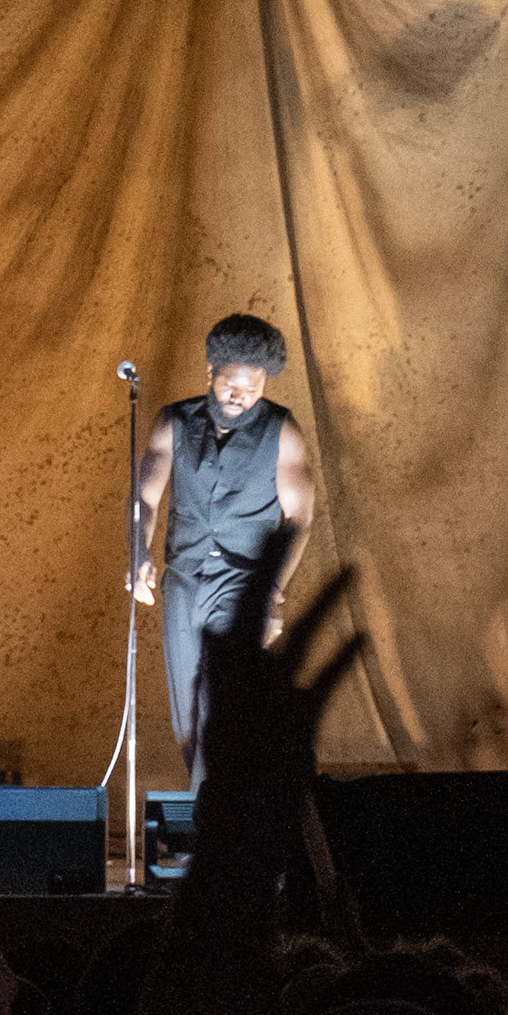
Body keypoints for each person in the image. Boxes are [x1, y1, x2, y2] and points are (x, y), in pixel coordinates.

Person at [128, 313, 319, 782]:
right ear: (210, 369)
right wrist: (139, 553)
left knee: (221, 704)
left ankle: (214, 818)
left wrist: (272, 592)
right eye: (231, 384)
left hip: (243, 582)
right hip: (183, 580)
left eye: (252, 388)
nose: (240, 396)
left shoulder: (282, 432)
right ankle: (209, 805)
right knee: (188, 715)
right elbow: (145, 499)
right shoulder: (174, 422)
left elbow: (300, 519)